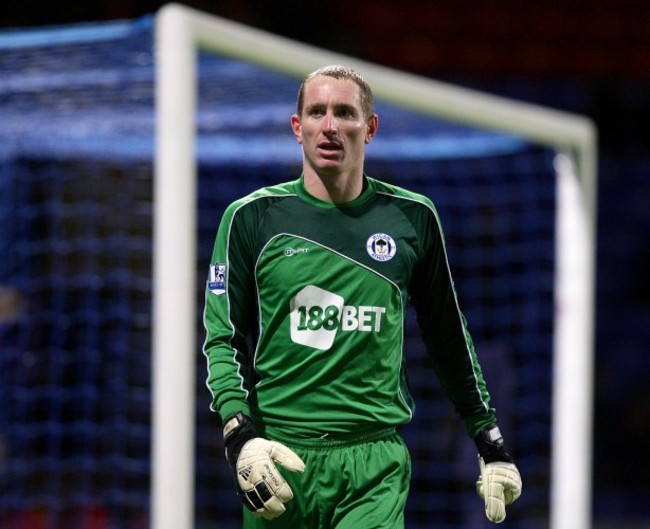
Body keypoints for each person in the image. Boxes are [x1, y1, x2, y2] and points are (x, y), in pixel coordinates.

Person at [203, 64, 522, 529]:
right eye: (316, 112)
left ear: (369, 128)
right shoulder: (252, 219)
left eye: (344, 113)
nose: (329, 126)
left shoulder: (413, 219)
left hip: (374, 467)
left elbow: (449, 338)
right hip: (278, 457)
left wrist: (490, 442)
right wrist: (239, 434)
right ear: (298, 128)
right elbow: (222, 337)